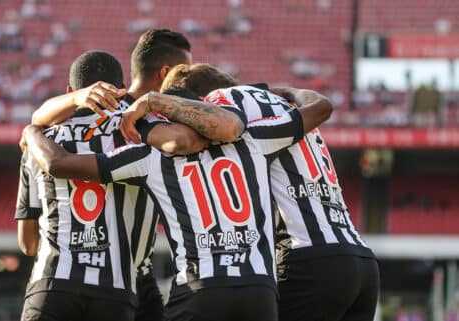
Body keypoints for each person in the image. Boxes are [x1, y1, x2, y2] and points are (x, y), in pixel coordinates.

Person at [20, 72, 333, 321]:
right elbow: (321, 109)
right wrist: (294, 92)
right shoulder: (251, 138)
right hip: (259, 288)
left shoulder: (149, 155)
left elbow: (60, 164)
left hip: (199, 288)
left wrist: (32, 131)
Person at [160, 63, 379, 321]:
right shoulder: (280, 103)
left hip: (307, 257)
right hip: (361, 260)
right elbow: (321, 107)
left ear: (197, 101)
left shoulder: (220, 104)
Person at [29, 29, 195, 321]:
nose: (187, 82)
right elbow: (39, 120)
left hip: (128, 276)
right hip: (120, 280)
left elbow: (37, 120)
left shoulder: (146, 118)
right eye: (184, 73)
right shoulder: (134, 121)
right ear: (166, 72)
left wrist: (32, 131)